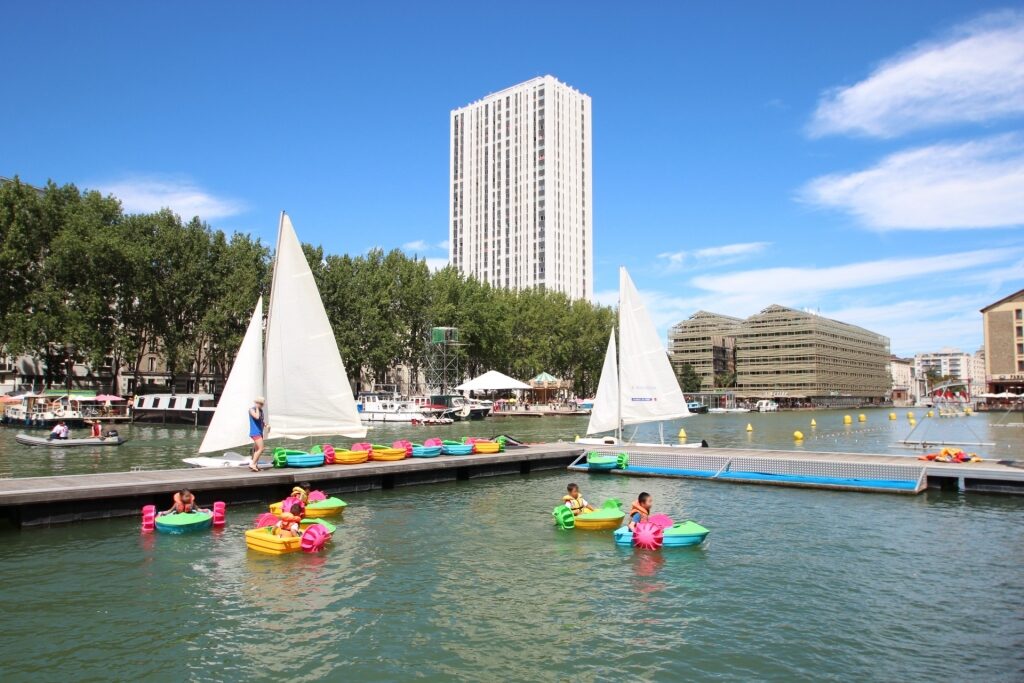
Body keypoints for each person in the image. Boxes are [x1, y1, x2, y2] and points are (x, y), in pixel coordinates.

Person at [248, 396, 269, 472]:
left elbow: (261, 420)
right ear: (256, 403)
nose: (260, 405)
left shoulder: (261, 411)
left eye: (261, 404)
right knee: (261, 448)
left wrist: (266, 425)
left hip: (259, 432)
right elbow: (256, 417)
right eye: (258, 403)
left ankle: (255, 465)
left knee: (257, 449)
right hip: (255, 432)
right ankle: (252, 464)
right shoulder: (252, 410)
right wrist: (257, 408)